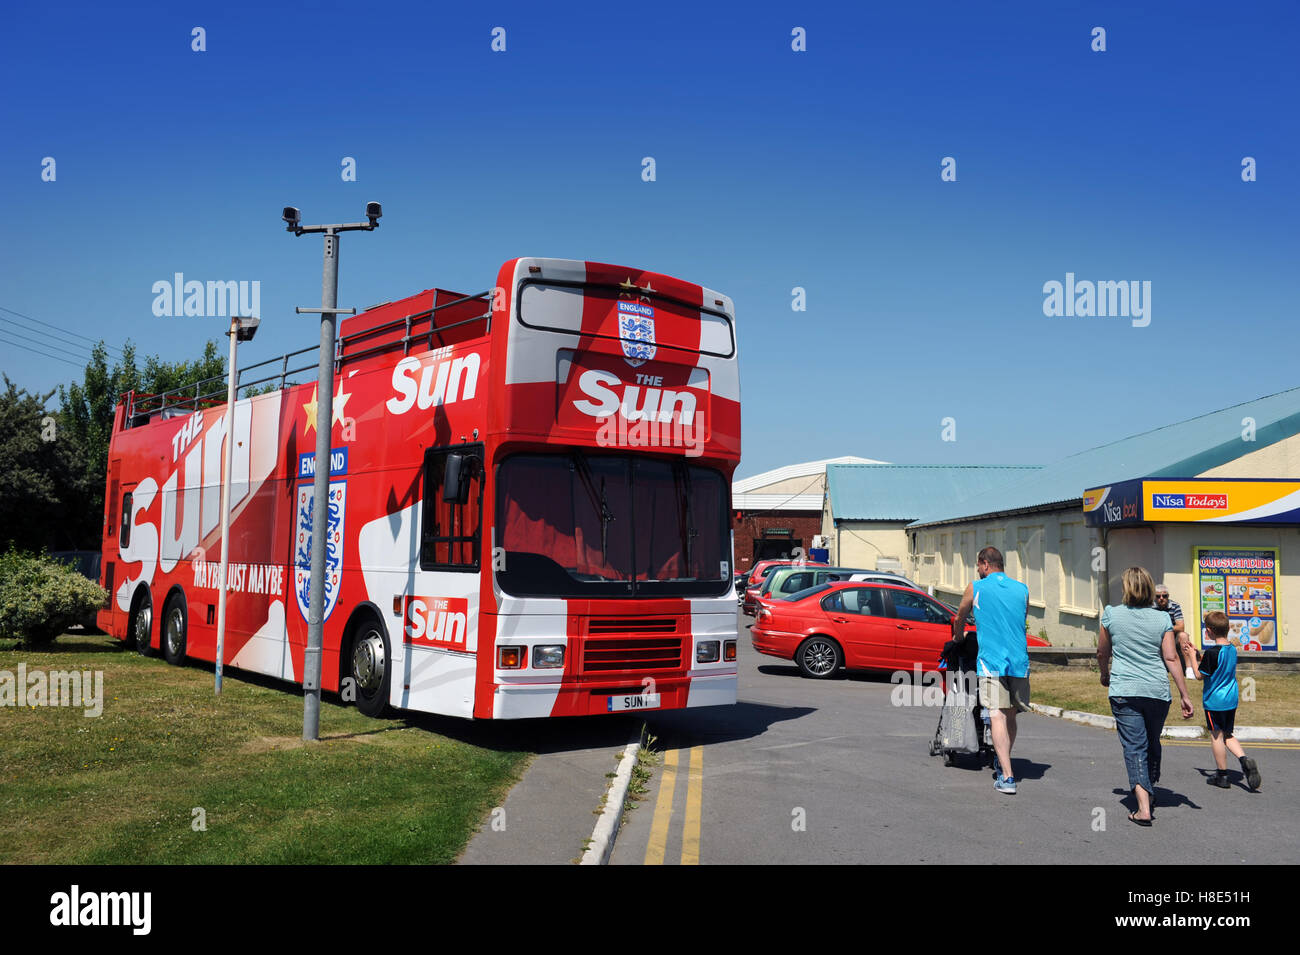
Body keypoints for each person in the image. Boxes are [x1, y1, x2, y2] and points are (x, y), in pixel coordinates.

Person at [1097, 567, 1195, 826]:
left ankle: (1143, 808)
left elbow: (1101, 652)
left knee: (1134, 746)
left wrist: (1104, 673)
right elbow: (1171, 657)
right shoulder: (1162, 619)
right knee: (1151, 741)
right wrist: (1185, 694)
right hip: (1156, 691)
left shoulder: (1111, 615)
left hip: (1125, 691)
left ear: (1126, 588)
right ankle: (1150, 785)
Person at [953, 546, 1029, 795]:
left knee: (996, 714)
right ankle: (1003, 758)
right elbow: (1021, 618)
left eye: (978, 566)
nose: (977, 570)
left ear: (985, 564)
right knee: (1011, 716)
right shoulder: (1022, 589)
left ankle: (1007, 776)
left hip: (991, 662)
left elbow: (960, 616)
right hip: (1019, 662)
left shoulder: (976, 587)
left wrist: (958, 637)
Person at [1197, 610, 1262, 791]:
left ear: (1209, 631)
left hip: (1214, 701)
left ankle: (1222, 775)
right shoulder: (1232, 648)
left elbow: (1199, 675)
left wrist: (1189, 658)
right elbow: (1216, 665)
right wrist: (1198, 656)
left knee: (1216, 735)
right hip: (1230, 699)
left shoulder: (1211, 653)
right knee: (1227, 734)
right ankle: (1244, 758)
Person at [1154, 583, 1195, 679]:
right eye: (1158, 596)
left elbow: (1181, 627)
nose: (1161, 598)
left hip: (1172, 637)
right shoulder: (1150, 607)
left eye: (1164, 596)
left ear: (1168, 596)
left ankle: (1189, 669)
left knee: (1183, 635)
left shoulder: (1175, 606)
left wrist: (1164, 628)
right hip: (1155, 637)